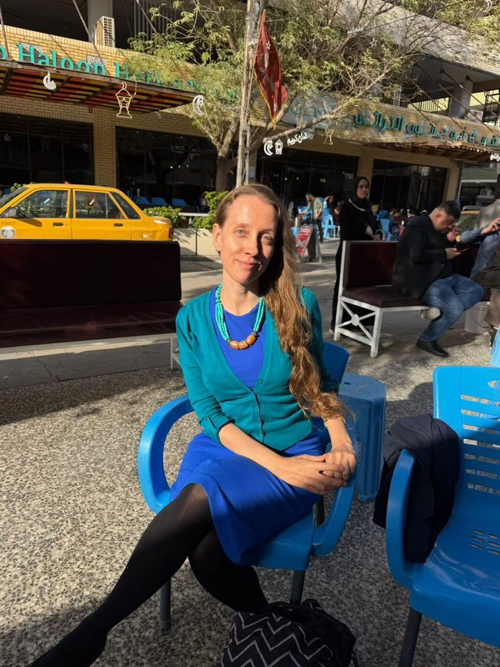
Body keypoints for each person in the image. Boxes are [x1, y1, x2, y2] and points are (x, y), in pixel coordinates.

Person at [31, 184, 356, 667]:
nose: (253, 248)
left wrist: (342, 441)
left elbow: (322, 386)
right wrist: (279, 468)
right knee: (205, 549)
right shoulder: (192, 320)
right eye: (241, 232)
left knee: (203, 527)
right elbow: (209, 413)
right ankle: (266, 619)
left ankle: (90, 636)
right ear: (217, 236)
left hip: (294, 452)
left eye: (266, 237)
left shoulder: (298, 303)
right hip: (225, 447)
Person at [392, 200, 485, 358]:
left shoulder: (440, 230)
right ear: (438, 216)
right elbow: (417, 254)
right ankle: (427, 339)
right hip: (424, 280)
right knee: (453, 309)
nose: (450, 226)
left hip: (446, 277)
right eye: (449, 222)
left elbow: (449, 253)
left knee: (476, 290)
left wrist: (450, 240)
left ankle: (443, 312)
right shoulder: (417, 226)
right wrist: (444, 253)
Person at [330, 177, 382, 331]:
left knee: (363, 289)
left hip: (366, 256)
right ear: (354, 189)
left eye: (367, 187)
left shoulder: (367, 208)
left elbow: (375, 226)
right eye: (361, 187)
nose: (364, 189)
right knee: (345, 288)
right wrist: (367, 234)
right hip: (349, 256)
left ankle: (358, 322)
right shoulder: (347, 209)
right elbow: (348, 233)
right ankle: (339, 323)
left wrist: (378, 234)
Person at [447, 212, 500, 344]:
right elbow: (464, 238)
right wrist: (485, 231)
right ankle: (496, 330)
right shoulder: (493, 232)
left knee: (498, 293)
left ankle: (496, 332)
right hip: (484, 273)